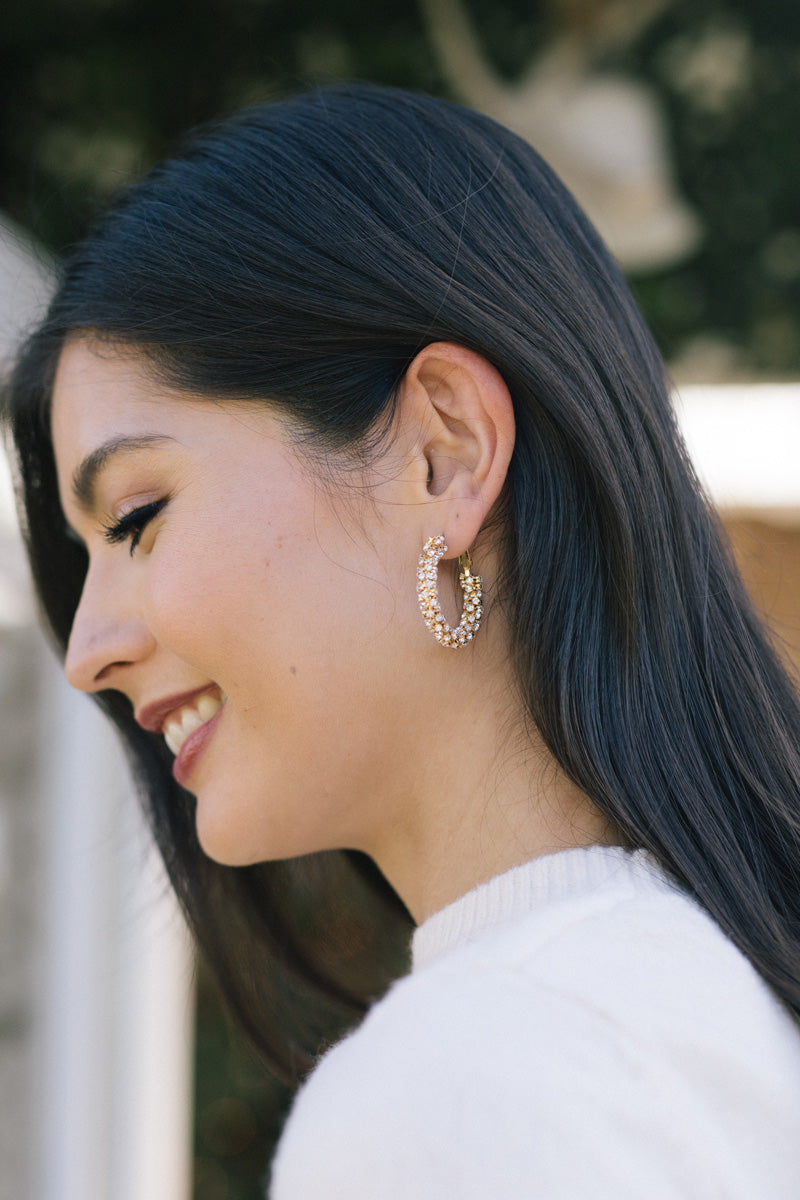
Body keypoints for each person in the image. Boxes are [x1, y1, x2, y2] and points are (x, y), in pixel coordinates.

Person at [7, 83, 800, 1197]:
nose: (87, 649)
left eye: (138, 518)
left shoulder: (468, 1084)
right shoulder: (718, 1013)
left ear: (444, 452)